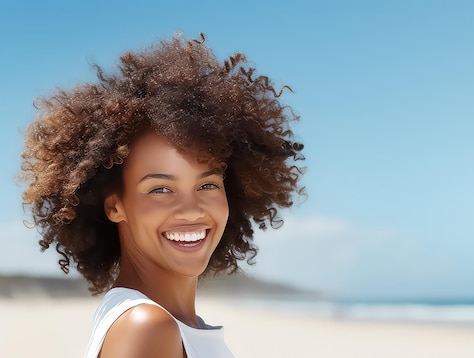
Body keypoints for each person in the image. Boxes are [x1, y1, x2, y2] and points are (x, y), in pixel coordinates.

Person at [20, 33, 305, 358]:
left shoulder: (167, 323)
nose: (191, 209)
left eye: (207, 184)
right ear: (115, 205)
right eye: (160, 189)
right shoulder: (146, 327)